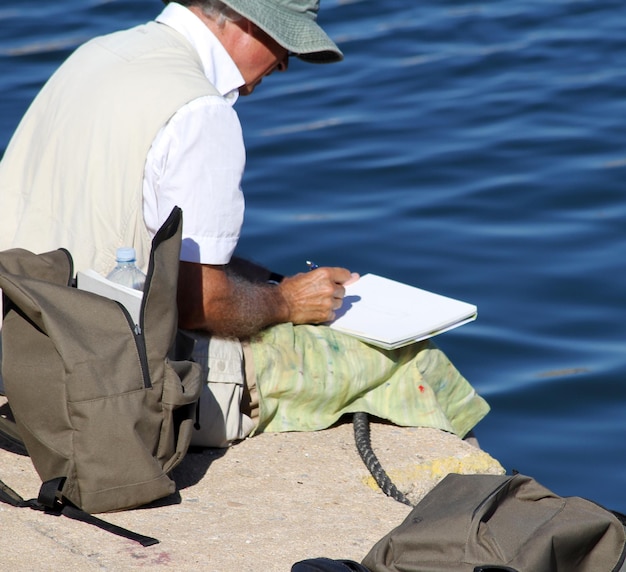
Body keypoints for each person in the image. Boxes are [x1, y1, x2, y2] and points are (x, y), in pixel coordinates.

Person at [0, 0, 490, 447]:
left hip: (19, 346)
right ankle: (470, 517)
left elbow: (137, 234)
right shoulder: (199, 111)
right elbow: (198, 303)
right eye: (284, 44)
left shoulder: (100, 53)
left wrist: (269, 281)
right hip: (102, 387)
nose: (282, 63)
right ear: (248, 21)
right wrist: (287, 301)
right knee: (412, 362)